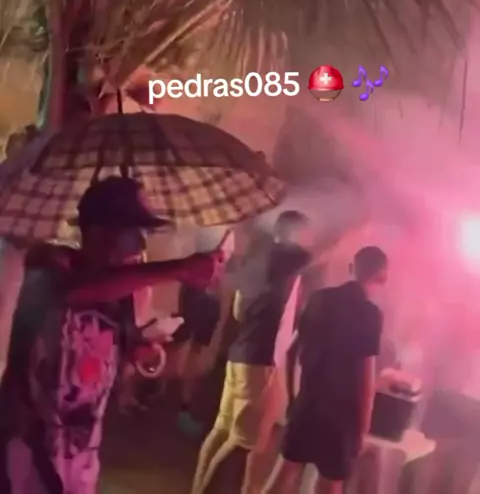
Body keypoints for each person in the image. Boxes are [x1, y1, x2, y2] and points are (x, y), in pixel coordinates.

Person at [0, 176, 232, 494]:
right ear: (98, 231)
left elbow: (119, 345)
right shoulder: (49, 266)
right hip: (23, 449)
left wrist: (143, 350)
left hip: (79, 455)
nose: (140, 245)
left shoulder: (120, 292)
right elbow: (75, 291)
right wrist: (177, 269)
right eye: (132, 233)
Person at [190, 210, 313, 494]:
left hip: (240, 355)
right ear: (294, 235)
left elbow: (236, 311)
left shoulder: (255, 260)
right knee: (242, 442)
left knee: (221, 431)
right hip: (260, 361)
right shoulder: (286, 258)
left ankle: (197, 489)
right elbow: (319, 254)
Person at [262, 245, 388, 494]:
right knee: (329, 486)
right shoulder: (371, 314)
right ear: (381, 278)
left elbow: (290, 351)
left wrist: (293, 399)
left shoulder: (319, 298)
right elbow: (366, 378)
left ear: (351, 268)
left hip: (308, 403)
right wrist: (362, 430)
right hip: (340, 418)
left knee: (281, 478)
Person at [174, 280, 223, 436]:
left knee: (187, 348)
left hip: (201, 293)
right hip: (203, 294)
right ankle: (183, 408)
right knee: (189, 349)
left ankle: (182, 407)